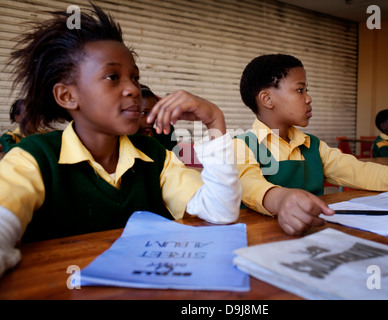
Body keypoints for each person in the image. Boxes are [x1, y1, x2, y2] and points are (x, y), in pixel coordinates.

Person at [0, 4, 240, 277]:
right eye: (112, 77)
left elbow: (221, 213)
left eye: (135, 77)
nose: (132, 89)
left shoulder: (155, 156)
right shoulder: (33, 158)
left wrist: (214, 120)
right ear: (67, 96)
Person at [234, 53, 388, 236]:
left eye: (307, 90)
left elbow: (365, 173)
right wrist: (281, 200)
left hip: (316, 235)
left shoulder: (313, 146)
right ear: (267, 99)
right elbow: (249, 185)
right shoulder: (241, 146)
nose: (309, 98)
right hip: (263, 239)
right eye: (300, 90)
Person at [138, 84, 177, 150]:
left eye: (154, 113)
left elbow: (174, 157)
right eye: (144, 113)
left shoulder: (160, 136)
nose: (151, 119)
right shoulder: (123, 138)